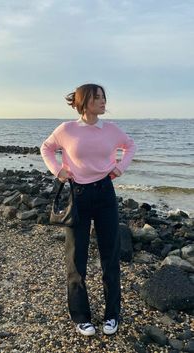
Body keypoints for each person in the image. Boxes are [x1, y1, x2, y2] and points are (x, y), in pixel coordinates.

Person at [40, 83, 136, 336]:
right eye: (98, 98)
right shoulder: (66, 129)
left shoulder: (112, 129)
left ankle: (112, 315)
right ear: (84, 102)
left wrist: (119, 168)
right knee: (76, 258)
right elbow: (46, 148)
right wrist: (57, 170)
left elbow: (130, 146)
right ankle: (81, 316)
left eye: (105, 97)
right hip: (78, 195)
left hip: (105, 192)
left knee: (110, 255)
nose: (104, 102)